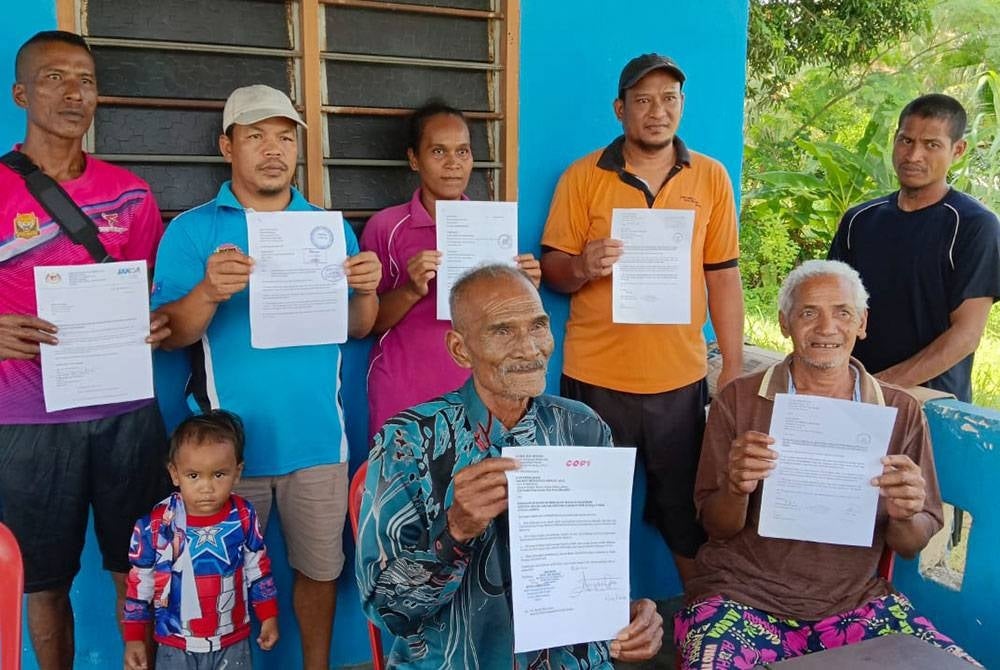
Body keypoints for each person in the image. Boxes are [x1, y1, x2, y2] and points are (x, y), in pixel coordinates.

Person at [150, 84, 382, 670]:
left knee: (319, 570)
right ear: (227, 147)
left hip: (318, 440)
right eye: (256, 136)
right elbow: (170, 333)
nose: (274, 150)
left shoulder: (326, 227)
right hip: (225, 450)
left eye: (285, 137)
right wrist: (208, 291)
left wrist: (366, 289)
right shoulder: (193, 231)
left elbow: (358, 327)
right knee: (218, 579)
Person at [675, 259, 979, 668]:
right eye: (808, 313)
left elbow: (911, 545)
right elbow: (716, 526)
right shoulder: (741, 400)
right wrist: (736, 488)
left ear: (862, 323)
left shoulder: (900, 410)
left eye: (842, 313)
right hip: (742, 597)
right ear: (784, 323)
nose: (826, 328)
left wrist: (905, 513)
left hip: (855, 605)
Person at [356, 264, 663, 669]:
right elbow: (386, 610)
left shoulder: (582, 428)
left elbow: (591, 572)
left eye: (538, 326)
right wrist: (454, 532)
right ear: (460, 349)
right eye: (502, 331)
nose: (530, 349)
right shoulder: (410, 441)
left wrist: (627, 615)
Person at [0, 30, 171, 669]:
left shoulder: (132, 193)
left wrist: (156, 320)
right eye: (55, 78)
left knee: (139, 568)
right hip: (27, 421)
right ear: (21, 94)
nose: (74, 92)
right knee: (42, 579)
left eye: (86, 80)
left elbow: (147, 290)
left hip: (125, 411)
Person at [539, 53, 744, 585]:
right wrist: (581, 266)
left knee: (685, 515)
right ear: (620, 109)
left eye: (669, 99)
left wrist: (733, 365)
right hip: (594, 379)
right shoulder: (582, 177)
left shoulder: (711, 177)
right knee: (588, 512)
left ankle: (700, 617)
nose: (658, 112)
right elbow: (552, 269)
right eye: (644, 100)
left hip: (678, 380)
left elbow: (723, 277)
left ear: (682, 105)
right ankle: (591, 626)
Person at [360, 100, 541, 437]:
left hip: (478, 388)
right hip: (404, 387)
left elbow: (508, 321)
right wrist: (412, 289)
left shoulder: (492, 227)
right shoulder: (387, 227)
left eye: (462, 151)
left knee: (480, 471)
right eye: (438, 151)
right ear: (414, 159)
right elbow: (370, 323)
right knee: (402, 470)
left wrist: (528, 287)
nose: (453, 163)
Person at [829, 94, 1000, 403]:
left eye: (931, 145)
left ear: (958, 150)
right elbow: (831, 308)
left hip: (928, 403)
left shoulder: (974, 225)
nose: (913, 155)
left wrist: (878, 387)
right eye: (906, 141)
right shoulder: (859, 220)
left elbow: (966, 335)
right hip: (851, 396)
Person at [123, 411, 278, 670]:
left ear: (237, 472)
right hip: (174, 643)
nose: (207, 487)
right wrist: (134, 637)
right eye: (194, 475)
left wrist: (269, 614)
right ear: (175, 473)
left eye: (219, 474)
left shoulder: (243, 515)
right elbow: (140, 583)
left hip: (232, 640)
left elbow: (258, 569)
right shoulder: (156, 525)